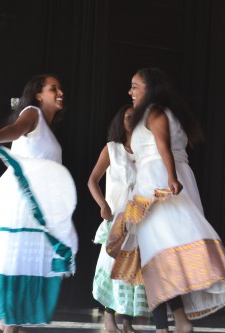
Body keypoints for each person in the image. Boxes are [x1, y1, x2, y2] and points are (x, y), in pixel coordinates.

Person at [107, 67, 225, 333]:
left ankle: (169, 325)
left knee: (156, 254)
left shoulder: (154, 112)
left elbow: (163, 146)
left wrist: (171, 177)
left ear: (150, 88)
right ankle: (177, 321)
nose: (130, 92)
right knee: (157, 257)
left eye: (135, 86)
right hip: (167, 180)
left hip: (158, 184)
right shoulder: (166, 113)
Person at [0, 74, 78, 333]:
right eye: (53, 88)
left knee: (25, 258)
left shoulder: (48, 130)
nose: (60, 92)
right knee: (16, 257)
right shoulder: (32, 113)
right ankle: (9, 322)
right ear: (38, 94)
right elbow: (15, 129)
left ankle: (10, 322)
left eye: (60, 88)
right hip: (20, 199)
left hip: (37, 202)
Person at [88, 104, 150, 333]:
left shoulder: (147, 151)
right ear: (120, 121)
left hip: (138, 219)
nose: (132, 119)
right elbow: (92, 180)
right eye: (127, 116)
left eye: (136, 117)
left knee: (132, 269)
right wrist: (102, 204)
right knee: (112, 265)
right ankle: (108, 318)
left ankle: (127, 322)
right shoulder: (111, 149)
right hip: (116, 216)